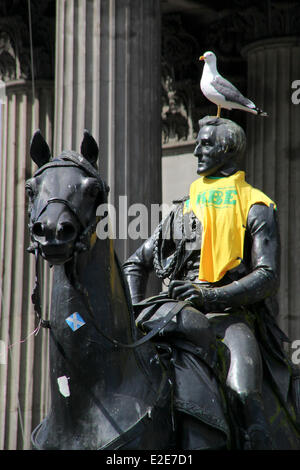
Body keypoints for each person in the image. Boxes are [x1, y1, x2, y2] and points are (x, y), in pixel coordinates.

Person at [122, 116, 299, 450]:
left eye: (205, 144)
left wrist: (209, 295)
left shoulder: (257, 206)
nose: (196, 152)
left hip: (229, 318)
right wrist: (133, 313)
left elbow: (267, 276)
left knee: (244, 393)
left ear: (227, 149)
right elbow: (135, 263)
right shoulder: (183, 209)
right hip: (169, 314)